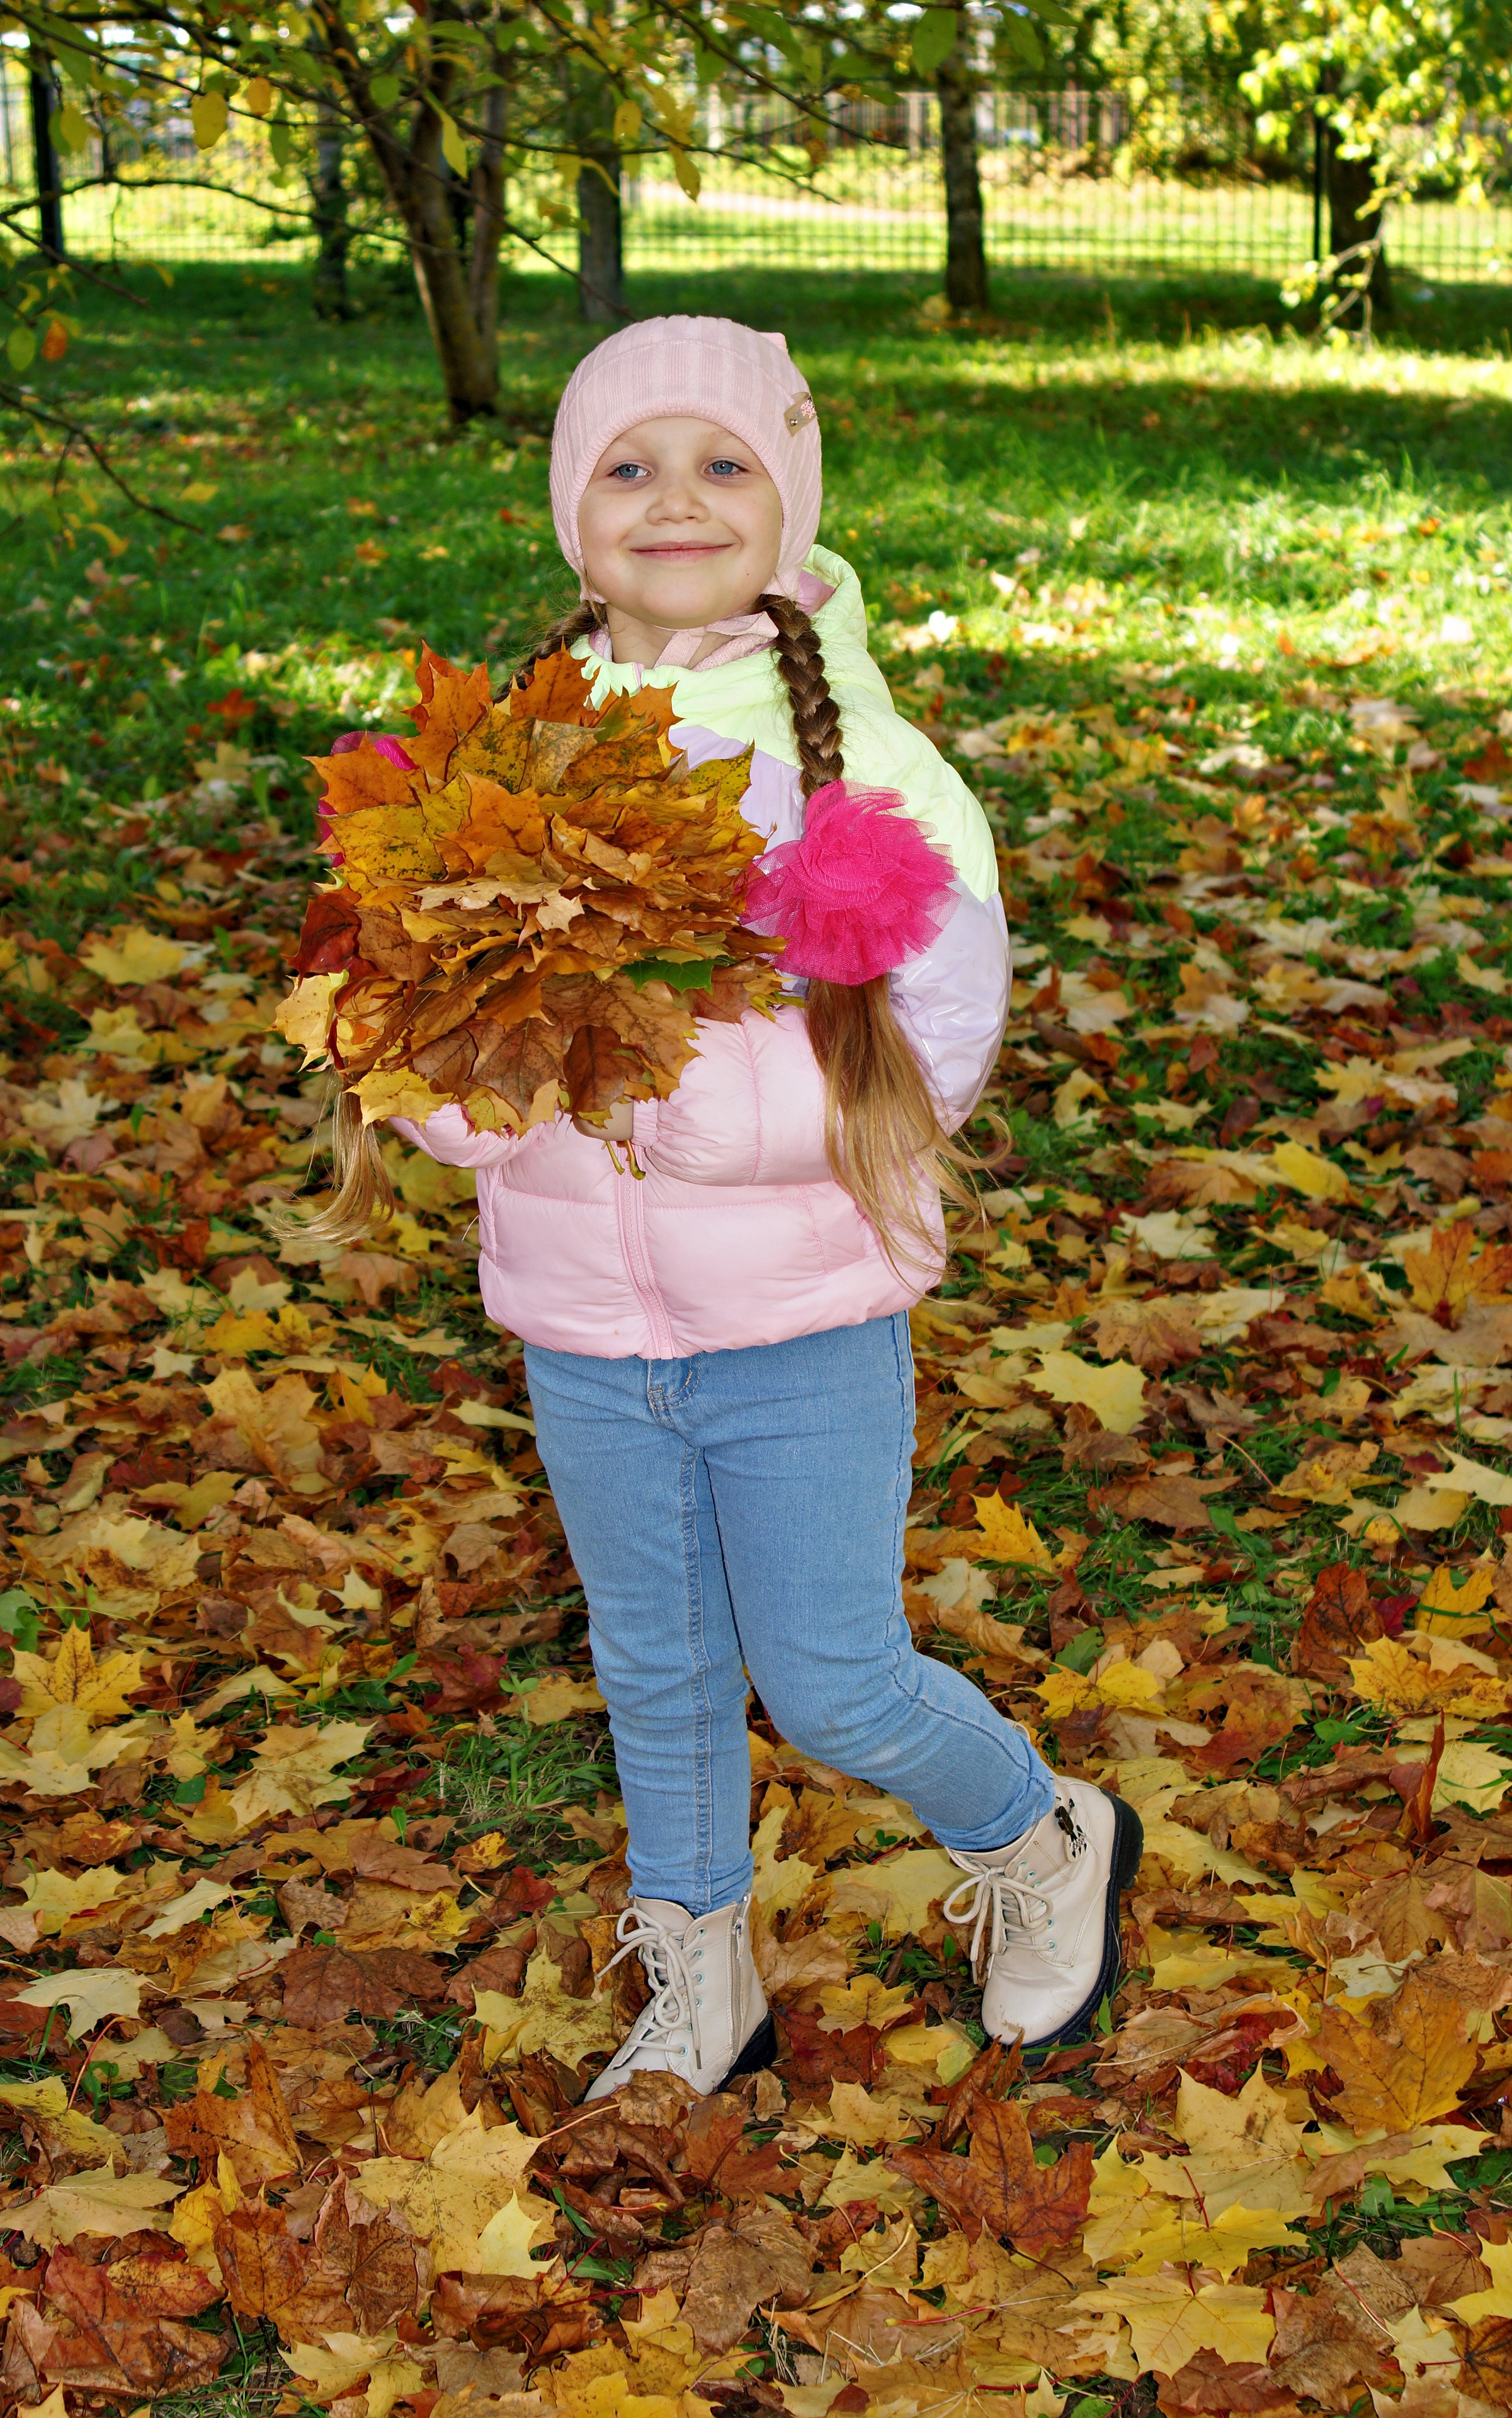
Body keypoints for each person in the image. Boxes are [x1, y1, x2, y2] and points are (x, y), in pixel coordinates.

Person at [385, 316, 1141, 2097]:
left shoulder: (859, 772)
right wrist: (461, 1098)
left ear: (790, 499)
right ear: (569, 510)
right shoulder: (508, 749)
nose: (673, 499)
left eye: (723, 462)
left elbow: (932, 1043)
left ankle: (1041, 1841)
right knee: (655, 1667)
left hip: (799, 1318)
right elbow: (436, 1001)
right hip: (582, 1320)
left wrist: (709, 1116)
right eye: (626, 465)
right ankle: (701, 1965)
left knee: (831, 1682)